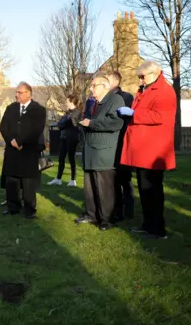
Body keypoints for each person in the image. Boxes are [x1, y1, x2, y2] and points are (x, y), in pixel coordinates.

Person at [119, 61, 176, 239]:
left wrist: (134, 114)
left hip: (154, 150)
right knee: (144, 189)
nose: (141, 80)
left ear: (154, 73)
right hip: (143, 149)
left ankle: (158, 229)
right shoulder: (145, 90)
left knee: (153, 190)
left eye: (142, 76)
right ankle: (147, 224)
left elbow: (160, 116)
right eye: (139, 77)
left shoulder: (164, 91)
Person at [75, 74, 125, 231]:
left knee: (104, 187)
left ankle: (106, 219)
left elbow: (116, 122)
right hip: (90, 151)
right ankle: (91, 214)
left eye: (94, 86)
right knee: (89, 186)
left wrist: (92, 123)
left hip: (104, 152)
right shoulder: (94, 103)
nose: (91, 89)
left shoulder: (115, 100)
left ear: (105, 86)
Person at [0, 82, 47, 219]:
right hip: (12, 149)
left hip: (29, 150)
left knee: (28, 181)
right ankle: (13, 207)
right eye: (16, 92)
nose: (16, 95)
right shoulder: (11, 108)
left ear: (28, 93)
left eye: (19, 92)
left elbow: (36, 129)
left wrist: (21, 141)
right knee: (11, 179)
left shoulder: (38, 110)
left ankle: (29, 209)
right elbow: (3, 127)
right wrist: (11, 140)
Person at [106, 71, 135, 220]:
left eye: (108, 79)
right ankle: (117, 210)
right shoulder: (106, 98)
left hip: (123, 143)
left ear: (116, 81)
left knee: (125, 178)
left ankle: (129, 209)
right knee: (114, 179)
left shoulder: (126, 97)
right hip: (111, 143)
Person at [48, 92, 82, 187]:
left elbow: (66, 123)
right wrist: (63, 122)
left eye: (67, 101)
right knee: (61, 158)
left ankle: (73, 180)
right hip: (63, 137)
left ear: (71, 102)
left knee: (71, 158)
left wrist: (64, 122)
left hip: (72, 138)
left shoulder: (77, 112)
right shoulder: (67, 113)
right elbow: (60, 124)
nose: (65, 103)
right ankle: (58, 179)